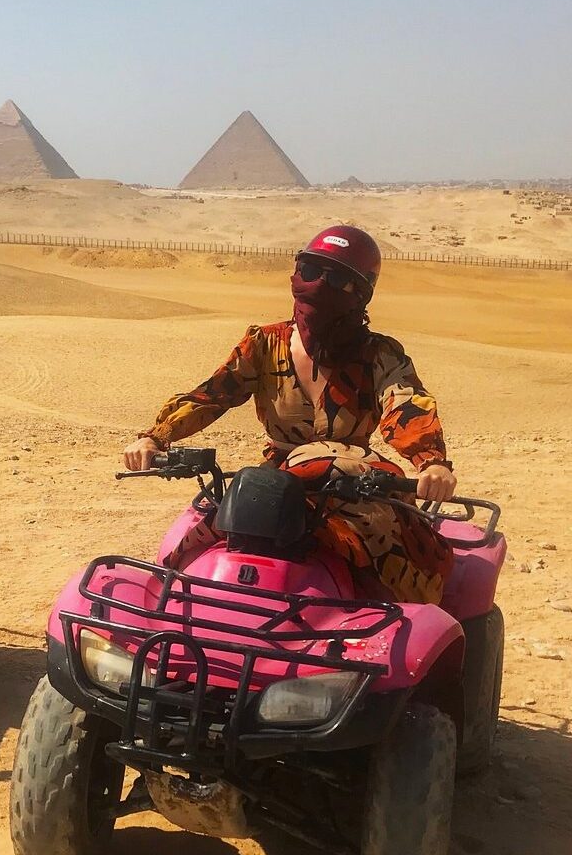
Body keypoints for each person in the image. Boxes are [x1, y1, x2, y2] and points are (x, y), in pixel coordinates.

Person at [122, 225, 456, 604]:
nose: (317, 285)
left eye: (337, 278)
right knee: (190, 554)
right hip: (276, 480)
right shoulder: (264, 343)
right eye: (309, 271)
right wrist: (156, 435)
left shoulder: (379, 355)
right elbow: (214, 394)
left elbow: (406, 401)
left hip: (353, 483)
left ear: (360, 293)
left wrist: (431, 462)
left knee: (397, 581)